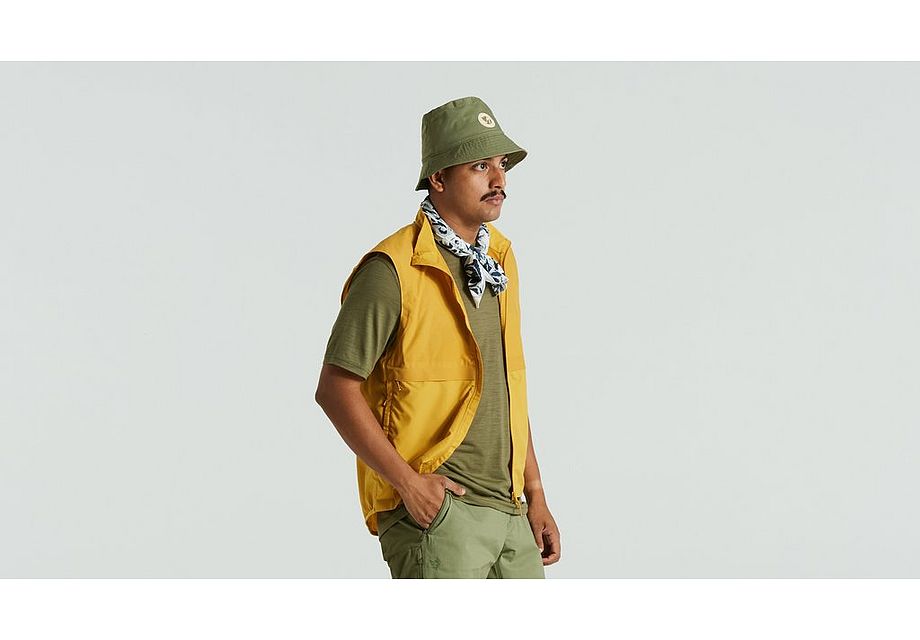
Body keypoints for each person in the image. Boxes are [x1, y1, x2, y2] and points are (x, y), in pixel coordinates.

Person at [314, 96, 560, 579]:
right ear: (439, 179)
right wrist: (409, 485)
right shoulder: (393, 269)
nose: (499, 179)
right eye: (480, 166)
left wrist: (536, 493)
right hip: (441, 514)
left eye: (502, 164)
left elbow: (507, 386)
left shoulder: (498, 262)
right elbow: (334, 390)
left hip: (511, 513)